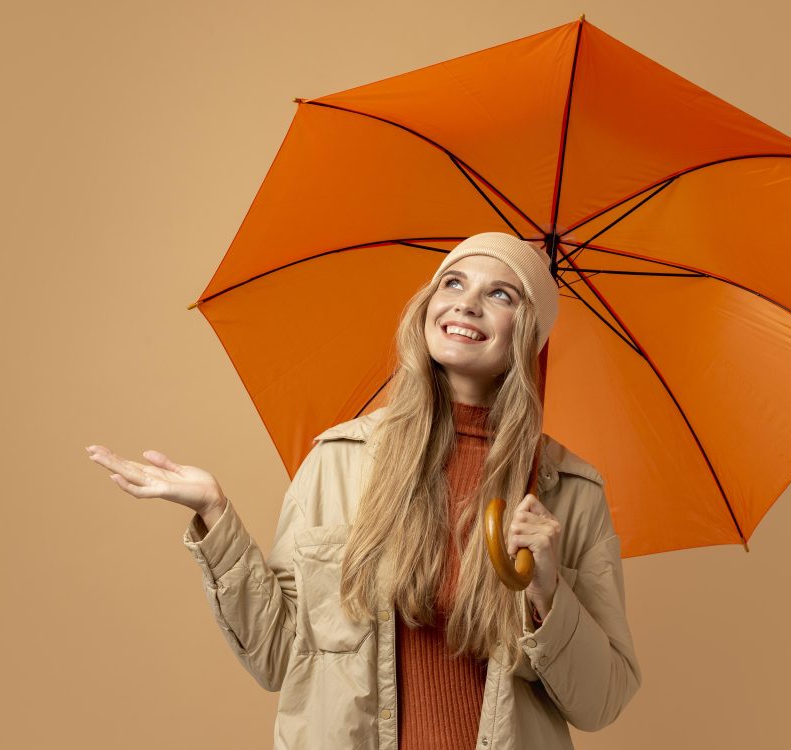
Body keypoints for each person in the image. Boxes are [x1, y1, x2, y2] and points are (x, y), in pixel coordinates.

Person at [85, 232, 642, 749]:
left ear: (530, 335)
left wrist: (548, 592)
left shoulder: (568, 493)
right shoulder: (340, 461)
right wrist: (215, 515)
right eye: (453, 282)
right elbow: (279, 655)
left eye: (501, 294)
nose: (466, 304)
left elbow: (601, 701)